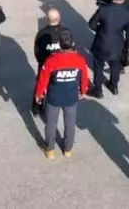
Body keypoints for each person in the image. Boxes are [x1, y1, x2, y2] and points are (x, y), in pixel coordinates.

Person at [34, 28, 89, 159]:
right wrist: (83, 91)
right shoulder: (79, 60)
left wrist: (38, 94)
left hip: (54, 98)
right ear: (73, 43)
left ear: (59, 44)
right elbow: (84, 78)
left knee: (51, 124)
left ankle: (50, 149)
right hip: (71, 98)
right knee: (70, 124)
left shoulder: (51, 61)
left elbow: (43, 80)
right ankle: (68, 149)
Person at [87, 0, 129, 98]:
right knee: (115, 66)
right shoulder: (128, 14)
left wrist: (101, 31)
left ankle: (98, 90)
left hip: (101, 43)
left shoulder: (103, 9)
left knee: (98, 67)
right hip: (117, 45)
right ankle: (114, 86)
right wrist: (126, 47)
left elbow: (91, 24)